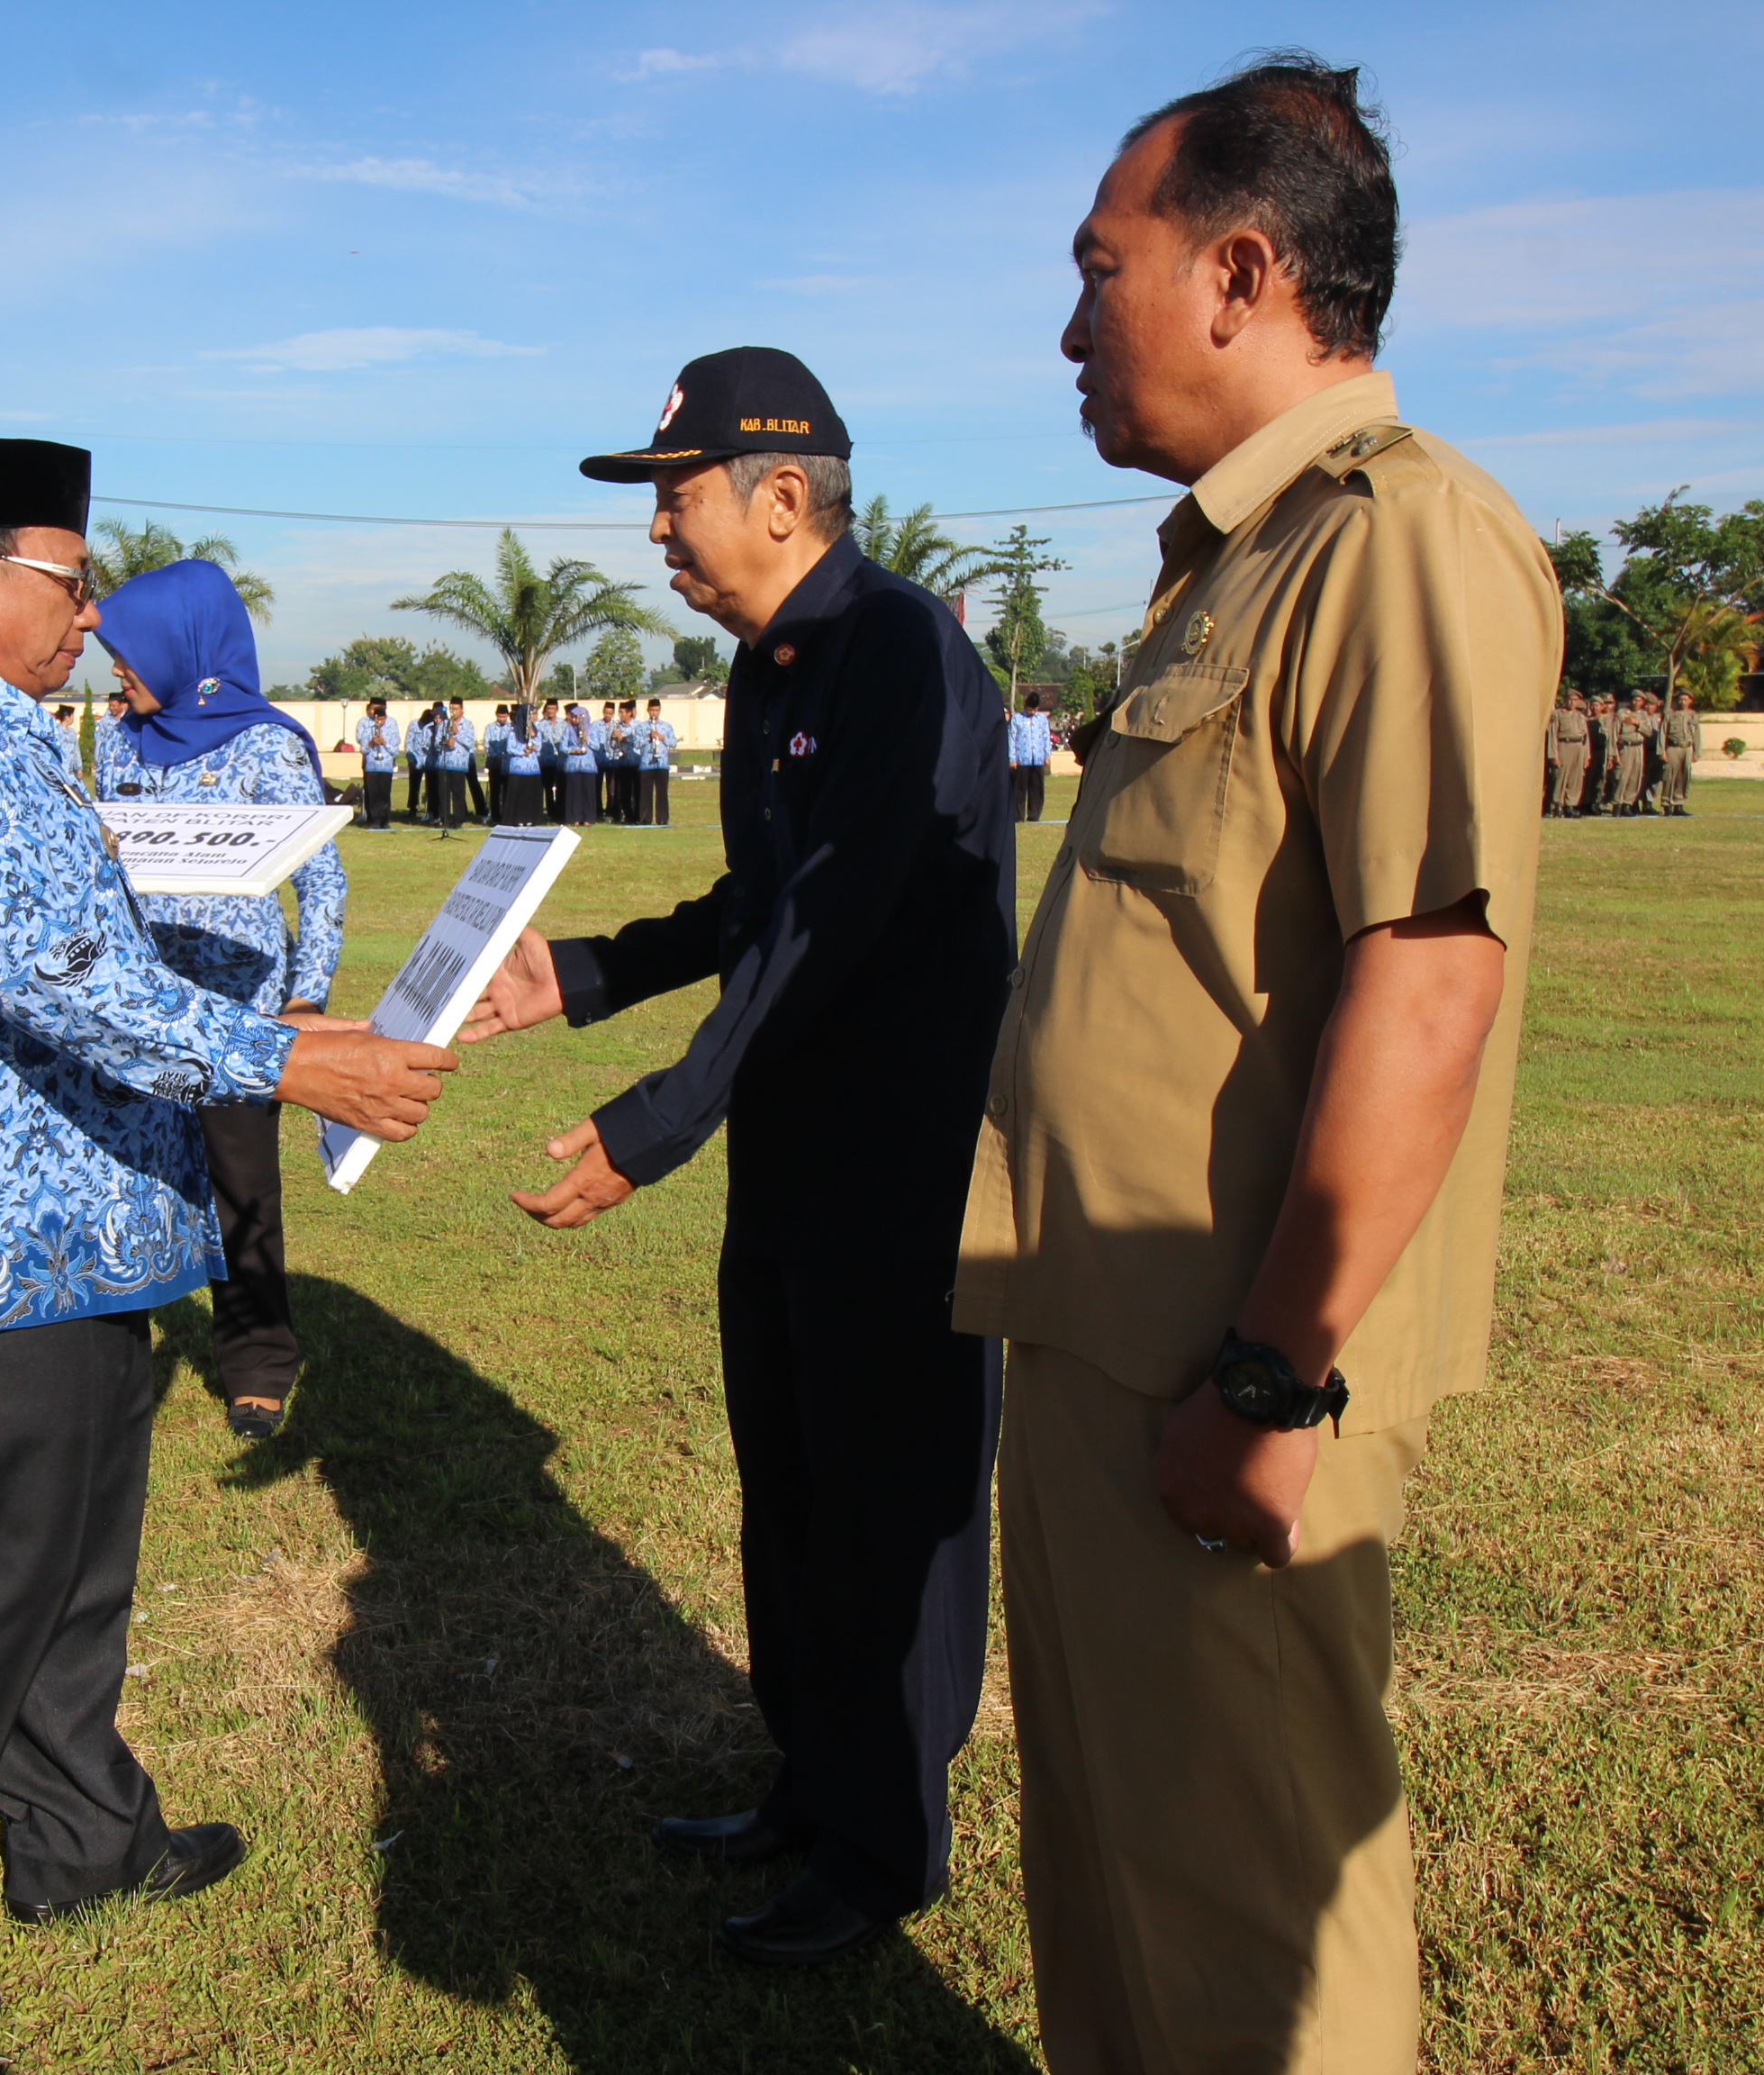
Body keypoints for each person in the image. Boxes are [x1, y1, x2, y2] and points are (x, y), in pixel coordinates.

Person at [955, 59, 1560, 2070]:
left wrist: (1276, 1379)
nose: (1066, 326)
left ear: (1237, 270)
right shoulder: (1238, 555)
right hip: (1115, 1349)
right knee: (1129, 1890)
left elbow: (1431, 974)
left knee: (1255, 1933)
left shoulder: (1402, 539)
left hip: (1223, 1377)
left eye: (1096, 269)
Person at [0, 437, 457, 2033]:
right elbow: (63, 971)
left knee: (72, 1563)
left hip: (62, 1233)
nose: (89, 616)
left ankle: (81, 1835)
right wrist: (296, 1051)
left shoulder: (6, 732)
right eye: (69, 585)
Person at [458, 346, 1013, 1969]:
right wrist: (590, 970)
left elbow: (834, 923)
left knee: (891, 1495)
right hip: (795, 1147)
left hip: (902, 1162)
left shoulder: (896, 648)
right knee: (796, 1483)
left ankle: (885, 1842)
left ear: (784, 493)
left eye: (676, 497)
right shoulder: (772, 665)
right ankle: (813, 1780)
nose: (659, 535)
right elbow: (752, 908)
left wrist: (654, 1116)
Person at [95, 560, 347, 1440]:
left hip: (240, 1013)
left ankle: (257, 1362)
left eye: (126, 650)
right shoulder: (116, 739)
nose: (113, 668)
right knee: (128, 1178)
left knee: (242, 1192)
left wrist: (305, 1002)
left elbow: (323, 886)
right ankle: (113, 1350)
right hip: (135, 1009)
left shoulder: (264, 746)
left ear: (180, 644)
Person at [1008, 693, 1056, 821]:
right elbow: (1012, 739)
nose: (1033, 712)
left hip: (1038, 758)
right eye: (1030, 710)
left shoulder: (1042, 719)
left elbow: (1046, 737)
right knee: (1019, 789)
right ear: (1025, 706)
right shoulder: (1017, 719)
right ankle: (1018, 815)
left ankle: (1034, 815)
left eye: (1035, 710)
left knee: (1036, 788)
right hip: (1022, 758)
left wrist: (1047, 755)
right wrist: (1012, 758)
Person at [430, 696, 475, 831]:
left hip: (459, 764)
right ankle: (445, 818)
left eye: (456, 709)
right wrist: (445, 742)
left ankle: (458, 819)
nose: (453, 712)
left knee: (458, 793)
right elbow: (436, 743)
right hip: (444, 763)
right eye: (451, 709)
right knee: (443, 793)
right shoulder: (443, 725)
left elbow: (470, 743)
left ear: (462, 709)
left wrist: (457, 733)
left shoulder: (468, 725)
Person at [496, 701, 545, 824]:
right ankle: (518, 818)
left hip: (532, 767)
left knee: (530, 793)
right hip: (518, 766)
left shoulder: (535, 730)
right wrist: (523, 751)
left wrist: (533, 745)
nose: (534, 716)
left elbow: (539, 746)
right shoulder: (514, 730)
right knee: (519, 794)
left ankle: (531, 818)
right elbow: (510, 748)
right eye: (532, 714)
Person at [354, 698, 397, 829]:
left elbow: (395, 748)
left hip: (386, 764)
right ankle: (373, 819)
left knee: (384, 793)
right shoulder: (364, 723)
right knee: (372, 793)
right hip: (371, 763)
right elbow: (363, 746)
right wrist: (372, 741)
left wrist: (384, 742)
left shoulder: (392, 723)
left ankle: (384, 820)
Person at [556, 702, 602, 824]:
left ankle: (588, 818)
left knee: (588, 792)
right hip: (573, 765)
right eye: (574, 717)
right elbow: (562, 747)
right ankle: (574, 818)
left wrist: (588, 740)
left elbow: (597, 746)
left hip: (588, 766)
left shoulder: (592, 730)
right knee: (574, 792)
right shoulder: (569, 730)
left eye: (578, 717)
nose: (576, 720)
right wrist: (573, 751)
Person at [1548, 689, 1591, 817]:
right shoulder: (1558, 714)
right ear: (1565, 700)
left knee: (1575, 778)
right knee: (1561, 777)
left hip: (1578, 747)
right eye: (1570, 699)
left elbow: (1586, 738)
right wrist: (1554, 755)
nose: (1572, 702)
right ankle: (1558, 805)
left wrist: (1586, 756)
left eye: (1575, 700)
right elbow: (1552, 735)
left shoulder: (1580, 716)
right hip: (1564, 745)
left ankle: (1570, 805)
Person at [638, 695, 677, 825]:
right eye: (652, 710)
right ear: (648, 710)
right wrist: (649, 737)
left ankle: (662, 819)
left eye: (656, 710)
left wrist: (662, 738)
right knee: (646, 793)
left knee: (662, 793)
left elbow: (674, 743)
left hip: (662, 764)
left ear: (660, 710)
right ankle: (645, 819)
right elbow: (637, 743)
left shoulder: (667, 726)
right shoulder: (642, 727)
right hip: (647, 763)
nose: (654, 713)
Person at [95, 688, 139, 799]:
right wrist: (97, 759)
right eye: (110, 705)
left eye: (114, 705)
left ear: (122, 704)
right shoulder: (106, 721)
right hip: (107, 759)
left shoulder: (127, 720)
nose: (112, 708)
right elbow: (100, 740)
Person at [1612, 691, 1651, 814]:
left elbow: (1649, 732)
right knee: (1623, 777)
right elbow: (1613, 735)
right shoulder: (1621, 714)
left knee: (1635, 777)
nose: (1636, 703)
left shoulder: (1643, 715)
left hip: (1638, 747)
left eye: (1639, 700)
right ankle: (1617, 804)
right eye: (1634, 700)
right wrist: (1615, 754)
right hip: (1626, 747)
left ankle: (1627, 804)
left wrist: (1638, 724)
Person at [1662, 689, 1700, 814]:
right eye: (1680, 699)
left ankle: (1679, 804)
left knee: (1684, 776)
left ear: (1690, 701)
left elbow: (1697, 735)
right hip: (1673, 748)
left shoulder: (1693, 716)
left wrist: (1697, 752)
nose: (1682, 702)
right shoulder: (1670, 715)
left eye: (1685, 699)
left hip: (1687, 749)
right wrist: (1662, 751)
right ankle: (1667, 804)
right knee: (1670, 776)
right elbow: (1663, 734)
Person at [405, 704, 435, 823]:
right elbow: (408, 743)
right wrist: (411, 760)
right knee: (414, 786)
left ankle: (430, 810)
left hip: (430, 760)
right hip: (416, 759)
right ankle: (412, 808)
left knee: (431, 786)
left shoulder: (434, 727)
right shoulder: (414, 725)